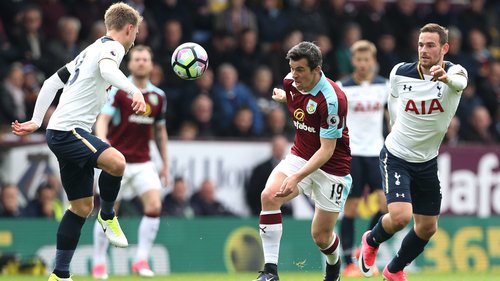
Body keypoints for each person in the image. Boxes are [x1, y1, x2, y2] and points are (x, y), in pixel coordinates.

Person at [11, 3, 146, 281]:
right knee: (117, 163)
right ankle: (108, 216)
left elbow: (51, 82)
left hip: (62, 131)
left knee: (81, 207)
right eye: (136, 32)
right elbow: (108, 70)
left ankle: (60, 275)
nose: (135, 39)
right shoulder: (113, 49)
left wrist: (37, 120)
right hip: (68, 131)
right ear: (129, 28)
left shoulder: (90, 49)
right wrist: (134, 90)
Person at [357, 23, 468, 281]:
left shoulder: (455, 73)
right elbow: (393, 97)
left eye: (430, 45)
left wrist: (446, 78)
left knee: (428, 228)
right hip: (396, 156)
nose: (424, 50)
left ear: (444, 48)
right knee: (400, 217)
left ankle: (394, 269)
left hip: (427, 161)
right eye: (421, 45)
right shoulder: (400, 72)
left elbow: (461, 84)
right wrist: (394, 123)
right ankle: (371, 240)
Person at [253, 41, 352, 281]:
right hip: (300, 155)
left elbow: (327, 150)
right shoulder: (290, 83)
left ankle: (334, 265)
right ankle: (270, 272)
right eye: (292, 68)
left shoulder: (333, 100)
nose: (293, 75)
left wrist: (297, 177)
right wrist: (285, 98)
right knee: (269, 196)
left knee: (321, 236)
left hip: (332, 168)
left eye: (300, 70)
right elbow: (300, 100)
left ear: (316, 69)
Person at [92, 45, 168, 279]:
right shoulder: (119, 90)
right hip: (117, 162)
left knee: (154, 206)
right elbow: (103, 118)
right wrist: (103, 144)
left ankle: (140, 259)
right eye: (137, 59)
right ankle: (99, 263)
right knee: (108, 211)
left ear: (152, 64)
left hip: (144, 162)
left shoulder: (158, 97)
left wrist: (166, 163)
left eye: (146, 59)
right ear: (130, 63)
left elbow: (160, 132)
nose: (142, 63)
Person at [336, 40, 389, 277]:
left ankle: (365, 247)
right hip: (352, 152)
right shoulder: (342, 87)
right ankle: (348, 261)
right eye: (359, 59)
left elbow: (392, 115)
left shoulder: (384, 86)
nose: (363, 64)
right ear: (353, 61)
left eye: (367, 59)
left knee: (387, 206)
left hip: (377, 152)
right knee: (351, 208)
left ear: (373, 62)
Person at [245, 135, 291, 216]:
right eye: (278, 146)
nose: (280, 149)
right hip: (266, 212)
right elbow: (252, 193)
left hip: (286, 214)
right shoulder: (261, 169)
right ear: (272, 148)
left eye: (282, 147)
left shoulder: (290, 167)